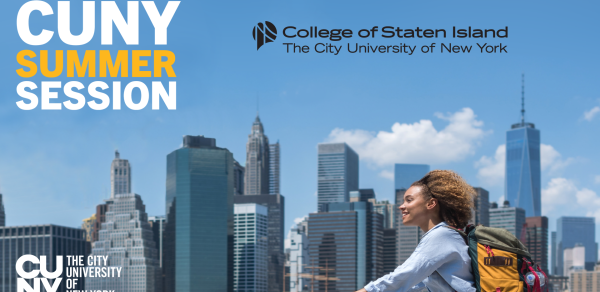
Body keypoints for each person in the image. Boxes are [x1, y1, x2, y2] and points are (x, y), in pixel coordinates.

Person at [356, 170, 477, 292]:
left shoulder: (441, 236)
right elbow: (414, 282)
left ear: (431, 204)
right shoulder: (446, 234)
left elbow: (405, 275)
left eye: (409, 200)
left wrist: (366, 291)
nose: (401, 206)